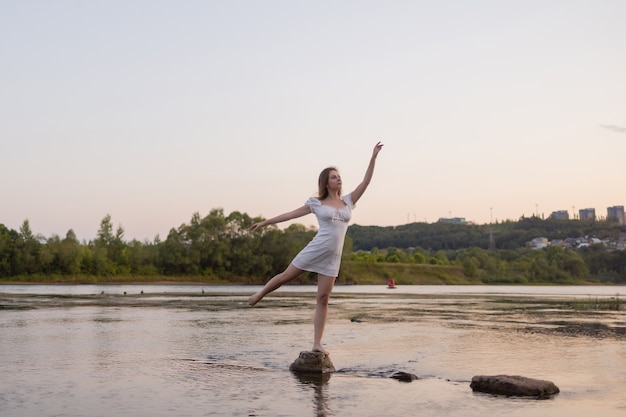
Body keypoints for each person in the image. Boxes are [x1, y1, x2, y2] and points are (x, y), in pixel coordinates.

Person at [248, 141, 384, 355]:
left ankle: (317, 343)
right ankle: (259, 294)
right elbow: (289, 215)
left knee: (323, 299)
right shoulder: (316, 203)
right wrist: (264, 223)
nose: (338, 178)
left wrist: (373, 157)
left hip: (333, 257)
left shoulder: (348, 201)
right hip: (316, 248)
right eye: (333, 176)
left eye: (339, 176)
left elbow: (366, 182)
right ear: (326, 183)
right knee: (285, 277)